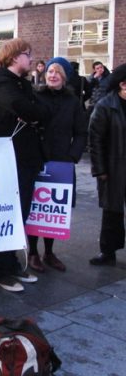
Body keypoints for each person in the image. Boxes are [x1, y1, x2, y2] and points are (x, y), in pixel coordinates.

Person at [0, 38, 49, 292]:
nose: (31, 59)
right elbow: (25, 109)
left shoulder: (21, 84)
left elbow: (40, 109)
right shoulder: (1, 83)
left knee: (20, 213)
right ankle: (0, 269)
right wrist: (33, 114)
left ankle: (13, 263)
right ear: (16, 56)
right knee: (7, 213)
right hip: (8, 159)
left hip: (25, 157)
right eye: (28, 55)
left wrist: (34, 113)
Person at [28, 57, 87, 272]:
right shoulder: (35, 96)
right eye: (50, 71)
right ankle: (33, 252)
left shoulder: (73, 102)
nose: (53, 75)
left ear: (64, 77)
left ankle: (49, 252)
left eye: (58, 72)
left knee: (55, 209)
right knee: (35, 207)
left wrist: (73, 156)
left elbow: (81, 132)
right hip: (37, 159)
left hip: (62, 161)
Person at [88, 63, 126, 266]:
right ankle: (108, 250)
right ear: (122, 84)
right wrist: (100, 170)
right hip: (113, 168)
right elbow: (95, 140)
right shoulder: (105, 106)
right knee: (112, 211)